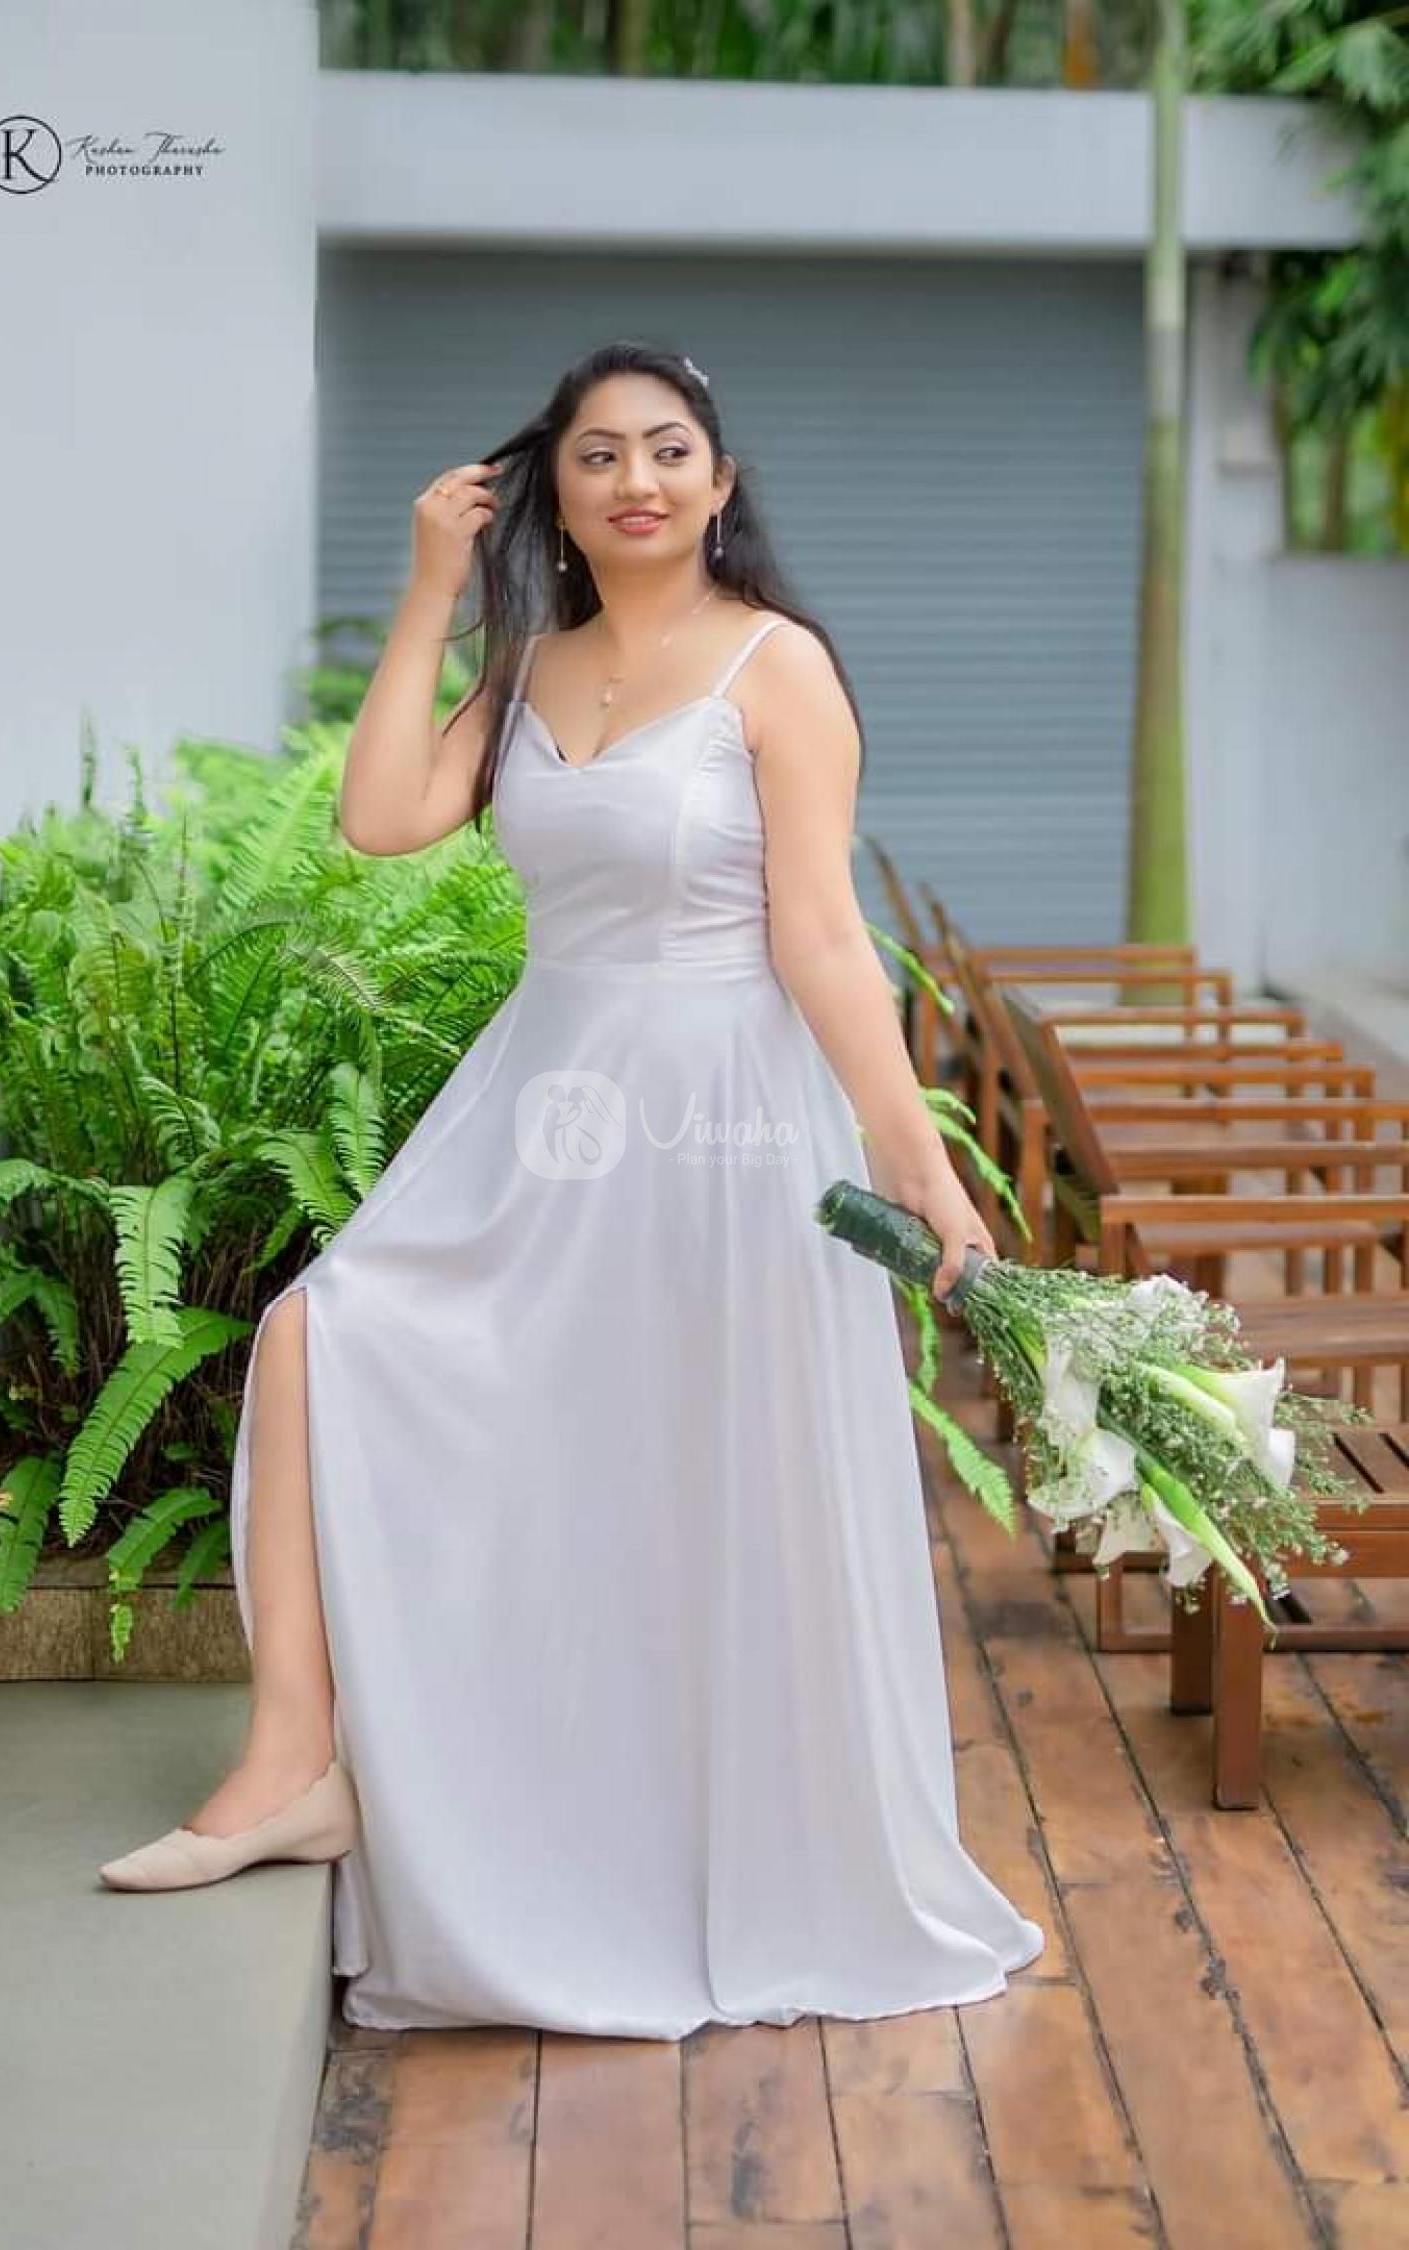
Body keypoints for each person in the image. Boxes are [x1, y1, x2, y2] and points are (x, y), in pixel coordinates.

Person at [98, 340, 1046, 2037]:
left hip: (723, 1115)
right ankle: (294, 1760)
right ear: (556, 488)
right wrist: (432, 588)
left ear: (720, 483)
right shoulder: (529, 666)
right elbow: (381, 815)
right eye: (598, 453)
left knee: (684, 1478)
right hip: (542, 1100)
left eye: (668, 449)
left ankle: (664, 1844)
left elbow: (824, 935)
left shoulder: (777, 665)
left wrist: (915, 1161)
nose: (636, 480)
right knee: (318, 1333)